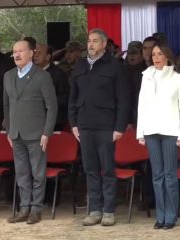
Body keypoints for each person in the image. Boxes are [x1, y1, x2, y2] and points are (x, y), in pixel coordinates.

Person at [68, 28, 130, 226]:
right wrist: (73, 124)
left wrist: (119, 127)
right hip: (84, 126)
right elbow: (73, 98)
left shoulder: (115, 66)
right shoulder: (80, 65)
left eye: (95, 41)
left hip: (106, 126)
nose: (91, 44)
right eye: (89, 41)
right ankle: (94, 209)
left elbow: (124, 100)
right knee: (90, 170)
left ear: (104, 44)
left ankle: (109, 211)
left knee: (108, 170)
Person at [4, 40, 57, 225]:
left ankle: (36, 209)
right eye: (14, 51)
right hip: (16, 134)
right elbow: (6, 105)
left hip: (36, 134)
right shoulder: (8, 76)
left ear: (31, 53)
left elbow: (52, 107)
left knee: (38, 173)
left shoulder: (42, 76)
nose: (17, 55)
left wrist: (46, 133)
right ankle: (24, 207)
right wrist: (9, 129)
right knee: (21, 173)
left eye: (21, 51)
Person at [136, 44, 180, 230]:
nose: (156, 57)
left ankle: (171, 216)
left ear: (167, 56)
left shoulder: (179, 78)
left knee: (170, 175)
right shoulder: (146, 76)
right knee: (157, 176)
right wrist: (140, 132)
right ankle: (160, 215)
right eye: (154, 54)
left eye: (160, 54)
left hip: (171, 132)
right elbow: (141, 106)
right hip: (150, 131)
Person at [34, 44, 69, 131]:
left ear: (48, 57)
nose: (36, 55)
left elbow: (64, 98)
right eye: (35, 52)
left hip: (53, 122)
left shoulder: (59, 74)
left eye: (40, 53)